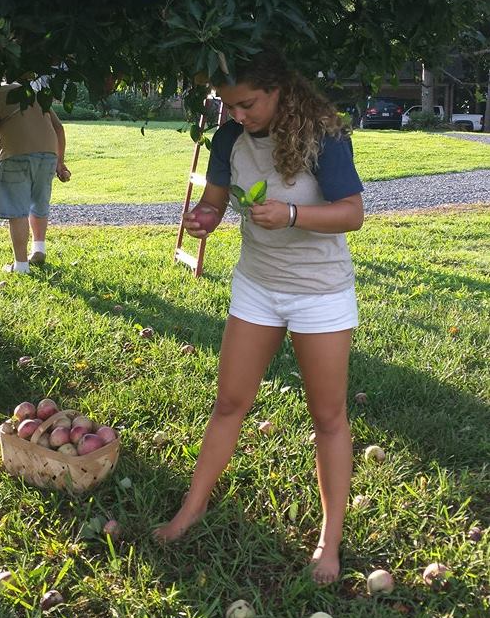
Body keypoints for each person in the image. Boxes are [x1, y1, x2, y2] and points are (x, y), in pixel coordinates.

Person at [154, 49, 364, 584]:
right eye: (229, 106)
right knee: (229, 402)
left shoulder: (323, 137)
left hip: (319, 293)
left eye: (247, 103)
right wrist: (205, 216)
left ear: (278, 91)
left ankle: (329, 539)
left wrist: (292, 213)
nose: (238, 115)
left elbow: (353, 214)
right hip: (258, 287)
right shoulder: (229, 138)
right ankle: (192, 507)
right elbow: (218, 200)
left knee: (328, 417)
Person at [0, 81, 70, 273]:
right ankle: (39, 249)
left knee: (17, 210)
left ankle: (21, 266)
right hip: (48, 152)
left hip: (15, 152)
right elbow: (58, 128)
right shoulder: (32, 90)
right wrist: (60, 162)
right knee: (39, 202)